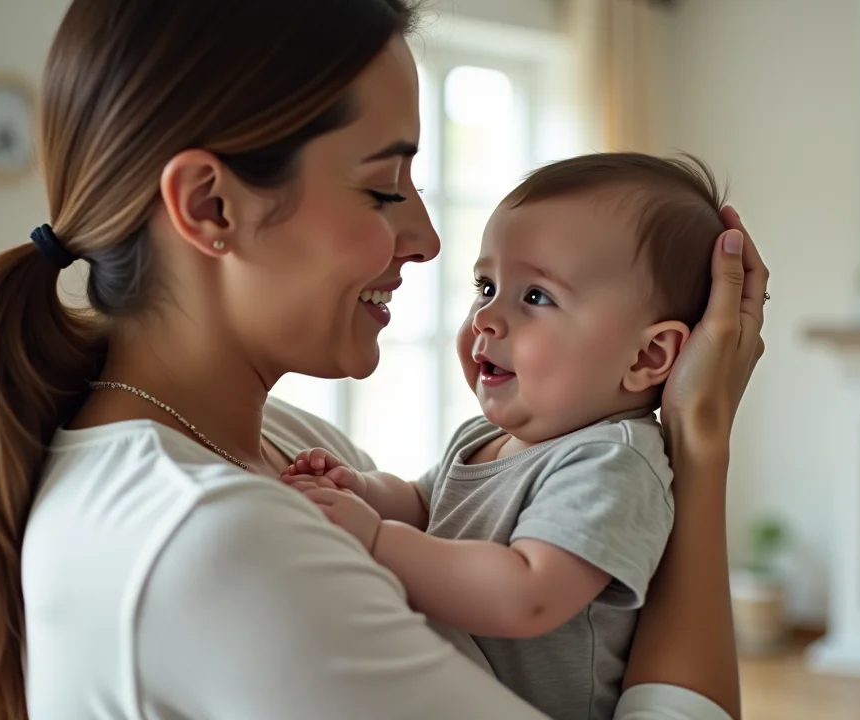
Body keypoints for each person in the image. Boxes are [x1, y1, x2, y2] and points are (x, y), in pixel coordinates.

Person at [0, 0, 769, 719]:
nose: (426, 238)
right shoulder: (216, 542)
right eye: (384, 189)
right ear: (210, 206)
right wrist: (701, 447)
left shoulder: (278, 447)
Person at [282, 153, 727, 720]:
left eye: (536, 296)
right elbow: (426, 504)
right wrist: (361, 491)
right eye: (486, 285)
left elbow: (529, 594)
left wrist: (374, 540)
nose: (486, 319)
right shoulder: (482, 437)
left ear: (647, 355)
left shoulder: (612, 462)